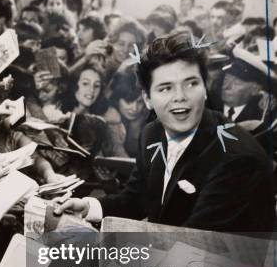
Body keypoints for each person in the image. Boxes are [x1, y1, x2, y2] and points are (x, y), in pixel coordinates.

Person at [55, 32, 275, 233]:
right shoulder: (152, 133)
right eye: (166, 88)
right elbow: (137, 198)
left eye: (190, 84)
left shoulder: (238, 159)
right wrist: (89, 207)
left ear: (205, 90)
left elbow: (195, 241)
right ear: (147, 99)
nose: (180, 96)